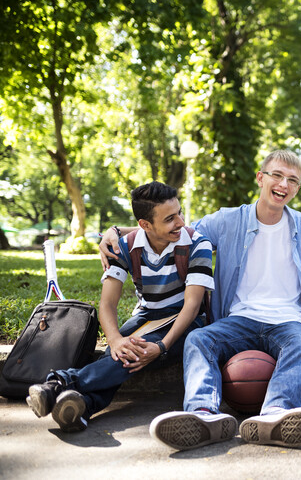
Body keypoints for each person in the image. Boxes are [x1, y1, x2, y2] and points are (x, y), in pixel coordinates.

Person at [99, 150, 301, 450]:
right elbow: (175, 229)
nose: (284, 184)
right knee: (199, 338)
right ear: (261, 177)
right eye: (277, 175)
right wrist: (117, 232)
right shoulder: (227, 220)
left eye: (293, 180)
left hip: (288, 321)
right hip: (239, 319)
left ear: (297, 188)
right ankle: (202, 415)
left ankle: (275, 416)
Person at [27, 181, 213, 432]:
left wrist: (161, 346)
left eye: (179, 213)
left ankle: (59, 384)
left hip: (187, 322)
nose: (180, 222)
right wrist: (114, 340)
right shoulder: (124, 247)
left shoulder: (196, 244)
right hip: (147, 316)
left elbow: (192, 306)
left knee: (132, 352)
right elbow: (108, 303)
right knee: (119, 352)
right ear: (145, 225)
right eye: (170, 219)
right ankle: (83, 406)